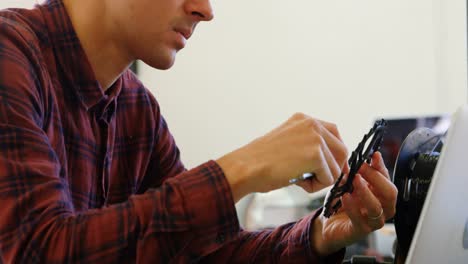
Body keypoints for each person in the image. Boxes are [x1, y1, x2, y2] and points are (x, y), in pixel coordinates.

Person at [0, 0, 398, 262]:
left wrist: (319, 235)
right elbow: (35, 251)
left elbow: (198, 253)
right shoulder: (9, 59)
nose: (205, 10)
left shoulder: (136, 108)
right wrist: (243, 167)